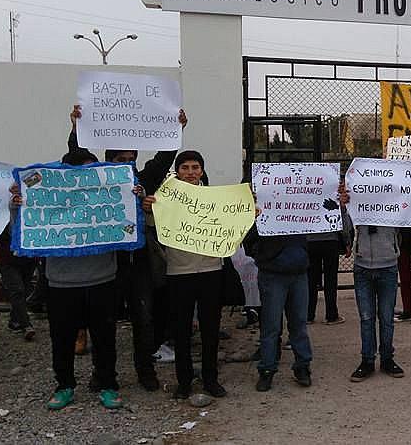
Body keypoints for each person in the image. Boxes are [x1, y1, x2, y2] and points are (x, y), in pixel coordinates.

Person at [69, 105, 186, 391]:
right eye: (121, 159)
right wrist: (76, 127)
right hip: (107, 265)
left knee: (144, 319)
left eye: (131, 159)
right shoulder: (95, 181)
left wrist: (176, 128)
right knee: (103, 321)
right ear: (107, 161)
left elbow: (163, 159)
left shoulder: (142, 180)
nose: (127, 163)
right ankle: (103, 375)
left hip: (139, 263)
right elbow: (74, 160)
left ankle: (145, 371)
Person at [14, 149, 136, 411]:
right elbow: (25, 227)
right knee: (62, 339)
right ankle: (64, 385)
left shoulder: (111, 190)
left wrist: (133, 197)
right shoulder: (47, 194)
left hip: (102, 278)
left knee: (104, 337)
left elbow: (128, 222)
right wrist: (20, 202)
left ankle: (107, 384)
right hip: (61, 282)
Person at [142, 151, 227, 400]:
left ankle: (211, 379)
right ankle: (184, 381)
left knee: (211, 328)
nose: (190, 172)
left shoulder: (215, 198)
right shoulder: (166, 197)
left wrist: (248, 213)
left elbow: (231, 227)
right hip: (179, 271)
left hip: (212, 269)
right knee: (181, 329)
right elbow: (152, 226)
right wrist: (149, 208)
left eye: (195, 167)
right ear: (177, 171)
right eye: (185, 168)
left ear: (202, 170)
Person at [339, 182, 411, 382]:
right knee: (366, 318)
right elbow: (344, 226)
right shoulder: (357, 204)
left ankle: (387, 358)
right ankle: (367, 360)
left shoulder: (393, 206)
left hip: (388, 266)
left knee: (386, 317)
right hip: (363, 267)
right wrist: (343, 206)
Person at [244, 218, 315, 391]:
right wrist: (265, 256)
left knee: (298, 322)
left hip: (298, 271)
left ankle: (302, 366)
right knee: (271, 325)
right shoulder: (264, 208)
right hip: (273, 274)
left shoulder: (301, 206)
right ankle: (267, 369)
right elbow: (248, 239)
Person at [0, 226, 36, 341]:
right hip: (7, 256)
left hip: (29, 255)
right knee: (17, 290)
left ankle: (15, 320)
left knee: (25, 288)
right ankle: (26, 325)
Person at [306, 217, 352, 325]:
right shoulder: (333, 199)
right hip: (330, 240)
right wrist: (347, 242)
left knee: (311, 279)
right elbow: (343, 219)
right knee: (330, 279)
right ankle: (331, 315)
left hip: (310, 240)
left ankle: (308, 314)